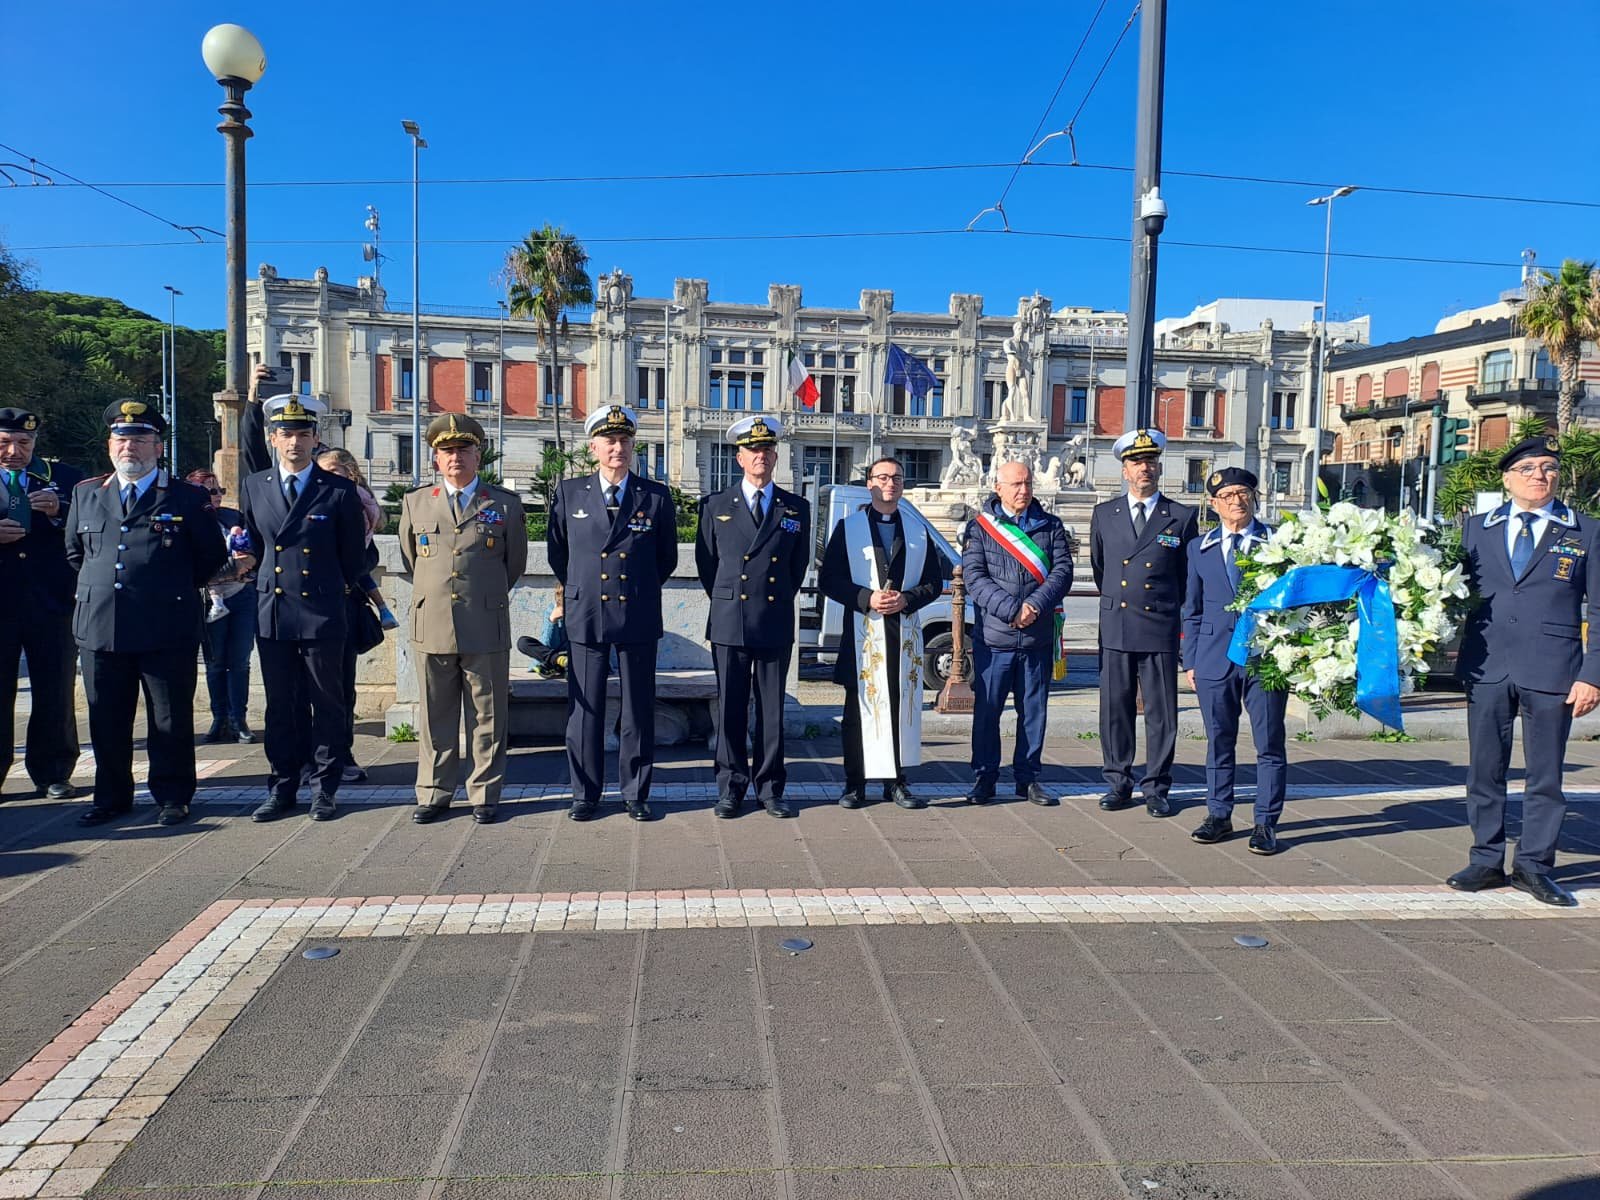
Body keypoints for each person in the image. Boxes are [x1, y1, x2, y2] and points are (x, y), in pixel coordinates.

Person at [1448, 435, 1600, 907]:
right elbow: (1451, 592)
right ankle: (1486, 859)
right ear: (1508, 478)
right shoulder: (1477, 528)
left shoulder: (1585, 531)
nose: (1540, 475)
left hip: (1554, 669)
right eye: (1530, 468)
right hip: (1489, 666)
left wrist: (1592, 673)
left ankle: (1534, 866)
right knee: (1484, 770)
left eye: (1550, 468)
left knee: (1545, 776)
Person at [66, 401, 227, 825]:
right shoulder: (87, 493)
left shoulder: (187, 497)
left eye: (139, 439)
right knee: (106, 717)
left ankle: (173, 795)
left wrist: (164, 587)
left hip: (165, 626)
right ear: (109, 446)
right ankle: (111, 796)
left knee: (170, 718)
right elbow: (75, 555)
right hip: (101, 625)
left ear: (158, 447)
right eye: (121, 439)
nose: (129, 448)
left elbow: (210, 555)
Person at [237, 393, 367, 823]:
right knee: (280, 706)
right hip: (273, 611)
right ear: (273, 439)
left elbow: (354, 558)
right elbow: (254, 545)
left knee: (327, 703)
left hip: (322, 611)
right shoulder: (256, 485)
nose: (294, 442)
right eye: (285, 434)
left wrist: (333, 591)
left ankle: (324, 787)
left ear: (316, 440)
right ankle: (282, 785)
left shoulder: (339, 489)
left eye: (303, 434)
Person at [547, 405, 679, 822]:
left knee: (637, 708)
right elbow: (559, 554)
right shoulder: (570, 493)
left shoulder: (655, 496)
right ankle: (585, 794)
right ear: (593, 448)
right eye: (608, 441)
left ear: (632, 446)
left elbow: (666, 559)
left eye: (623, 440)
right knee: (585, 710)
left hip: (637, 613)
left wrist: (637, 588)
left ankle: (635, 792)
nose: (616, 448)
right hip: (586, 614)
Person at [398, 413, 528, 825]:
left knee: (488, 714)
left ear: (478, 455)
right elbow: (410, 560)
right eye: (447, 451)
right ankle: (434, 791)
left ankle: (485, 793)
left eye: (463, 450)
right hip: (432, 622)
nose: (455, 458)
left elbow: (514, 564)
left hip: (484, 623)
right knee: (435, 714)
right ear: (436, 459)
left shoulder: (503, 505)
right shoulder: (415, 503)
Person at [695, 416, 811, 819]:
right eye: (753, 450)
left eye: (767, 450)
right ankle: (731, 787)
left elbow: (797, 568)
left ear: (775, 456)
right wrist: (731, 601)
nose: (761, 456)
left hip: (774, 618)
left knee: (771, 711)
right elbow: (708, 565)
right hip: (730, 620)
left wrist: (771, 599)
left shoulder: (796, 507)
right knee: (730, 709)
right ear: (740, 457)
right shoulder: (715, 505)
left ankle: (770, 788)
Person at [820, 455, 944, 809]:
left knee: (900, 709)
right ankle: (854, 784)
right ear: (870, 483)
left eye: (898, 478)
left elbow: (934, 583)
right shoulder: (849, 528)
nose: (891, 484)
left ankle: (896, 783)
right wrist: (866, 597)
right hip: (863, 633)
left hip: (901, 634)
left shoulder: (918, 530)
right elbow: (829, 579)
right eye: (883, 477)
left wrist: (906, 599)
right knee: (858, 713)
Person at [1089, 428, 1199, 818]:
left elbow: (1188, 579)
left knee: (1161, 712)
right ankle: (1118, 781)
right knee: (1114, 709)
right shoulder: (1105, 514)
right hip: (1117, 624)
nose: (1144, 468)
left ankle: (1156, 786)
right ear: (1124, 470)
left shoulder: (1181, 516)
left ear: (1159, 467)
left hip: (1159, 626)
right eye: (1136, 462)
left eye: (1150, 461)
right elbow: (1101, 568)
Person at [1180, 468, 1287, 854]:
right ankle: (1218, 814)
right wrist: (1189, 659)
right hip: (1212, 659)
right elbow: (1190, 608)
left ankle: (1265, 822)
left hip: (1265, 658)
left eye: (1243, 493)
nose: (1236, 501)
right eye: (1227, 496)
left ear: (1254, 497)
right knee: (1218, 740)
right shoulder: (1200, 547)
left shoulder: (1277, 542)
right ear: (1213, 504)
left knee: (1269, 743)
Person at [961, 459, 1073, 806]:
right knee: (987, 713)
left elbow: (1063, 571)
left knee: (1034, 712)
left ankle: (1028, 779)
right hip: (995, 640)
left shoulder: (1050, 525)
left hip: (1037, 637)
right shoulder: (980, 528)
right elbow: (974, 577)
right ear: (999, 488)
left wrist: (1035, 605)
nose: (1023, 490)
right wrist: (1012, 610)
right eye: (1015, 485)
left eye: (1027, 484)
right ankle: (985, 778)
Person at [0, 407, 83, 801]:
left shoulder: (64, 478)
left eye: (23, 443)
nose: (15, 451)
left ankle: (53, 772)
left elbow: (90, 528)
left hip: (52, 603)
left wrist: (60, 511)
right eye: (5, 443)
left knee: (55, 691)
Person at [317, 447, 396, 785]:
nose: (326, 478)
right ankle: (312, 756)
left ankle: (341, 754)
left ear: (349, 473)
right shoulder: (308, 502)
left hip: (344, 606)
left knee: (342, 688)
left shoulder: (362, 509)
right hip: (307, 606)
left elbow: (364, 562)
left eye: (333, 471)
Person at [186, 468, 257, 744]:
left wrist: (241, 566)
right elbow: (196, 568)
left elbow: (252, 556)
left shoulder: (232, 517)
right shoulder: (189, 519)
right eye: (208, 491)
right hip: (209, 599)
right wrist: (233, 568)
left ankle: (239, 718)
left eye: (218, 490)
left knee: (240, 661)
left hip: (242, 596)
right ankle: (219, 718)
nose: (215, 496)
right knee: (215, 663)